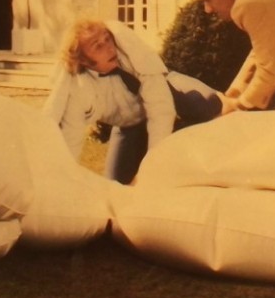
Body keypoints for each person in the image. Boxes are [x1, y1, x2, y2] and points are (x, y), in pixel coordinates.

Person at [42, 18, 222, 184]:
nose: (110, 48)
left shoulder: (131, 54)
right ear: (83, 60)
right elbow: (71, 140)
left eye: (108, 39)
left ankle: (224, 102)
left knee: (208, 105)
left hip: (166, 90)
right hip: (129, 125)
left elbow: (161, 112)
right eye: (98, 46)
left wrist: (149, 170)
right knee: (116, 186)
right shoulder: (80, 91)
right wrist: (61, 181)